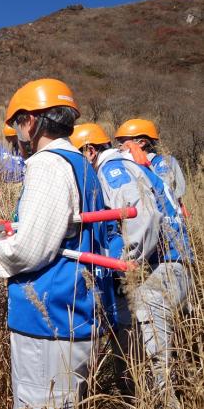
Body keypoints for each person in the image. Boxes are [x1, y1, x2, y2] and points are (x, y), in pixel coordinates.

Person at [0, 79, 116, 409]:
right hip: (77, 316)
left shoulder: (46, 165)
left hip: (48, 322)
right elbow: (62, 231)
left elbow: (32, 249)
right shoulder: (82, 166)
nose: (17, 135)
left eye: (18, 124)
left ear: (30, 121)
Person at [71, 123, 191, 407]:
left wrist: (124, 261)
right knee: (137, 344)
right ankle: (136, 397)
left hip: (162, 266)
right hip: (172, 263)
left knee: (153, 365)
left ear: (90, 151)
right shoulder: (128, 165)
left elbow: (143, 215)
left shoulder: (113, 169)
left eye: (78, 157)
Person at [114, 118, 187, 210]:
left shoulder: (163, 162)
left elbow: (162, 191)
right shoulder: (128, 165)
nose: (119, 146)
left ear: (141, 143)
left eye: (122, 140)